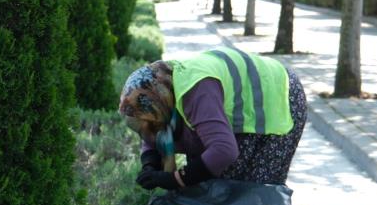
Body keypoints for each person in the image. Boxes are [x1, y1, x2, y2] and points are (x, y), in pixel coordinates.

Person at [119, 48, 307, 192]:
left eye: (150, 123)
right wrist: (149, 165)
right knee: (215, 187)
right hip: (247, 94)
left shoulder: (196, 91)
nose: (148, 131)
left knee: (252, 193)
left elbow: (224, 151)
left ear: (159, 102)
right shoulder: (162, 93)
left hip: (278, 94)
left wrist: (174, 179)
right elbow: (152, 132)